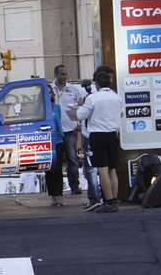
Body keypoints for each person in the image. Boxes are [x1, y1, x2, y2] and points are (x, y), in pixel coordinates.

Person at [74, 70, 123, 213]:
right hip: (113, 135)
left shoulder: (93, 98)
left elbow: (80, 114)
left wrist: (81, 105)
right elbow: (121, 113)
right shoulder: (116, 97)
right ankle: (114, 200)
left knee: (102, 169)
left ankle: (108, 201)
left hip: (98, 135)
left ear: (97, 84)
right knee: (112, 169)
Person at [80, 65, 113, 212]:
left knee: (106, 169)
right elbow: (82, 114)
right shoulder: (91, 92)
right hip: (93, 134)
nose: (110, 80)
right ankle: (96, 198)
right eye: (109, 77)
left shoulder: (111, 94)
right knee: (95, 169)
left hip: (102, 133)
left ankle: (109, 199)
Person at [50, 64, 84, 195]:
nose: (64, 77)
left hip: (70, 129)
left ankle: (74, 185)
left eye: (65, 74)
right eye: (62, 74)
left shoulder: (73, 89)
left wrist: (80, 123)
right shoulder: (50, 89)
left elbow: (81, 106)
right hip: (55, 131)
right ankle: (56, 188)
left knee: (72, 158)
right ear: (56, 75)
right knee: (56, 160)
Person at [45, 83, 65, 206]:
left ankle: (59, 194)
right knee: (48, 169)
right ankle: (52, 194)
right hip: (46, 141)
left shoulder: (56, 107)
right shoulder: (40, 109)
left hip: (58, 140)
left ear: (52, 94)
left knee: (58, 169)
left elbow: (59, 122)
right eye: (46, 92)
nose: (48, 94)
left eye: (50, 92)